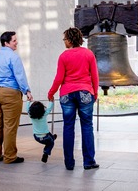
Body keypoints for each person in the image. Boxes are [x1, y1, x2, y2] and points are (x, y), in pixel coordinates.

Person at [48, 27, 99, 171]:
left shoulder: (63, 56)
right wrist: (95, 93)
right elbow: (95, 76)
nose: (64, 42)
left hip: (67, 94)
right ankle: (89, 162)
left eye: (64, 39)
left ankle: (69, 163)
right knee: (87, 126)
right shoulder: (88, 54)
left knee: (68, 127)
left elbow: (59, 78)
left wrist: (51, 92)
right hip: (85, 92)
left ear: (70, 40)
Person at [0, 31, 33, 164]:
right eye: (14, 40)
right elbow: (20, 75)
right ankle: (10, 157)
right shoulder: (13, 57)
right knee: (10, 126)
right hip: (10, 94)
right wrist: (27, 91)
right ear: (6, 43)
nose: (16, 42)